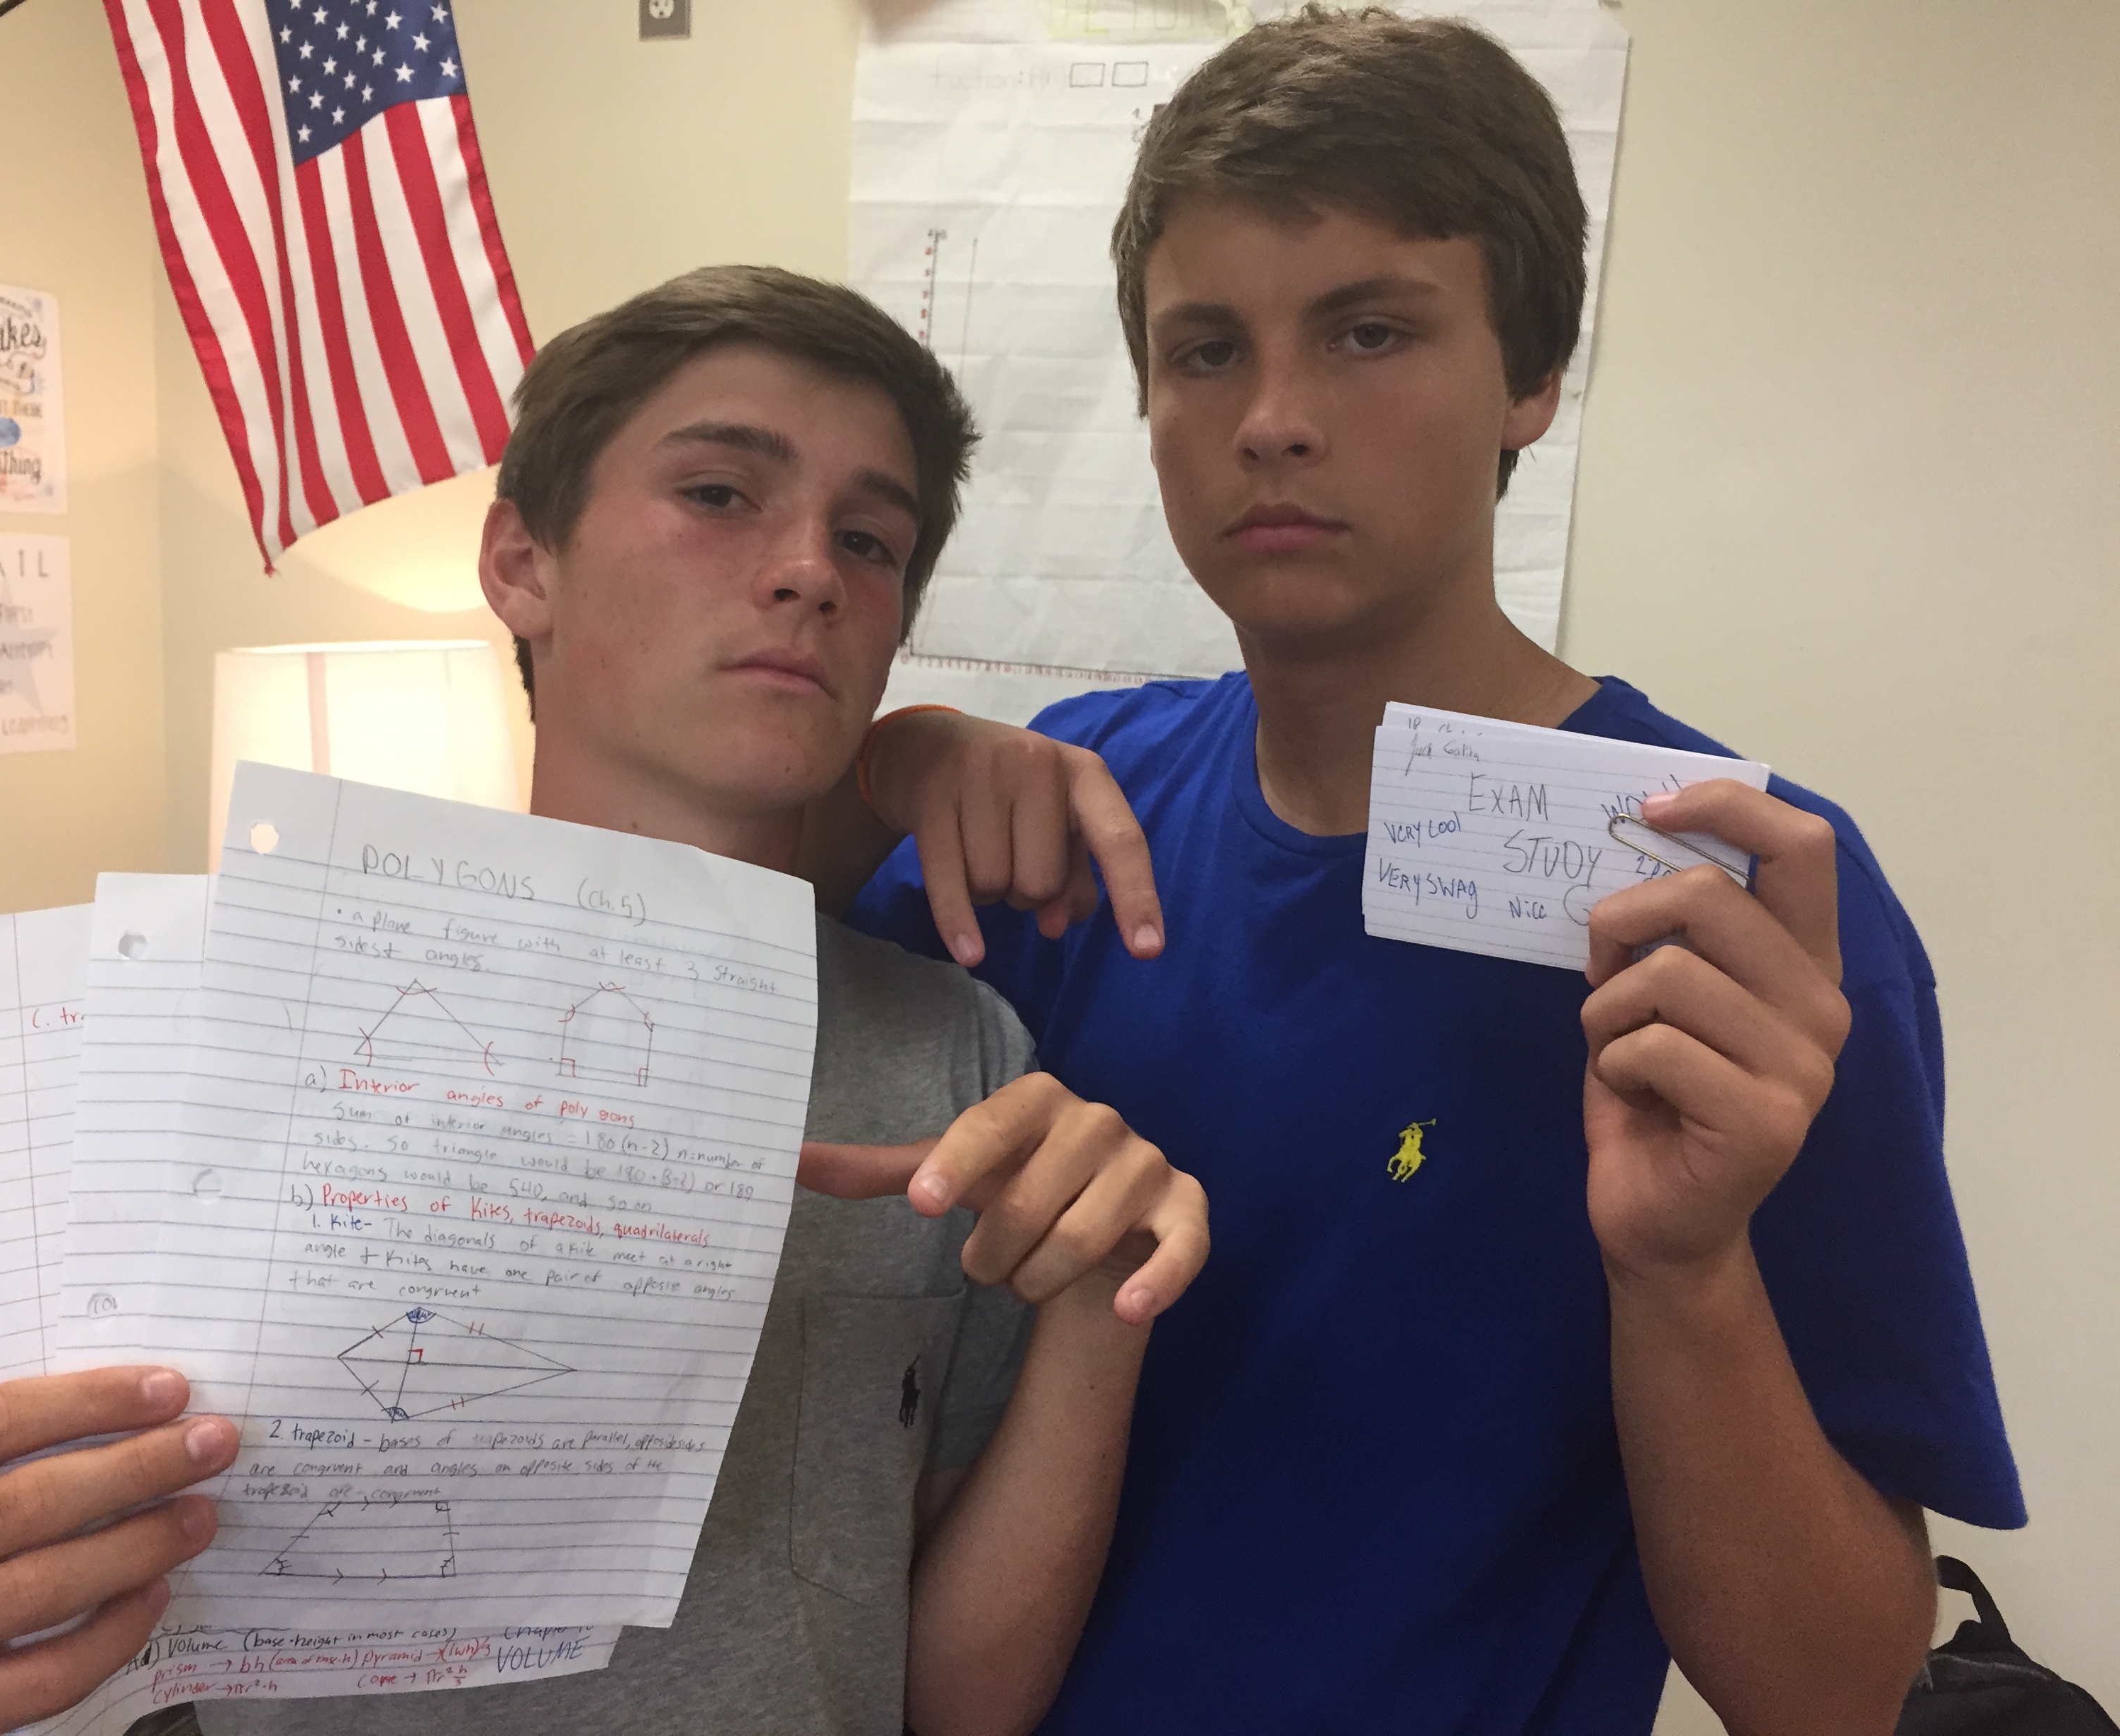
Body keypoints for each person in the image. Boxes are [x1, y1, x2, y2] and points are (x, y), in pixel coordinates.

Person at [0, 265, 1208, 1736]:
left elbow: (952, 1696)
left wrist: (1103, 1308)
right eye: (720, 494)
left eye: (869, 540)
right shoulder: (195, 1022)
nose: (810, 570)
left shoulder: (954, 1061)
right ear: (522, 564)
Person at [839, 10, 2024, 1732]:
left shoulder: (1740, 916)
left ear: (1531, 377)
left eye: (1370, 331)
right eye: (1205, 350)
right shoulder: (1055, 826)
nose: (1274, 421)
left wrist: (1684, 1273)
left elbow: (1835, 1692)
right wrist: (887, 761)